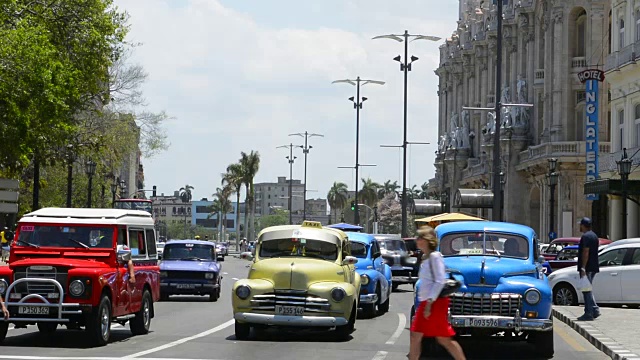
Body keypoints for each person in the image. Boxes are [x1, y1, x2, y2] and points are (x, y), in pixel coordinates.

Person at [409, 226, 466, 360]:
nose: (417, 240)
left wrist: (429, 304)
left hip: (434, 303)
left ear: (427, 240)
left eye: (419, 237)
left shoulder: (435, 256)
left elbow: (440, 280)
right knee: (417, 336)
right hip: (428, 302)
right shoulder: (425, 257)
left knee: (442, 339)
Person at [577, 217, 600, 321]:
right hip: (593, 266)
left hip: (587, 267)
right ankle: (594, 310)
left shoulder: (586, 237)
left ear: (583, 225)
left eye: (580, 225)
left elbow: (586, 252)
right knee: (588, 289)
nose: (579, 227)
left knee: (586, 290)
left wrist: (583, 267)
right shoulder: (594, 236)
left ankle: (589, 312)